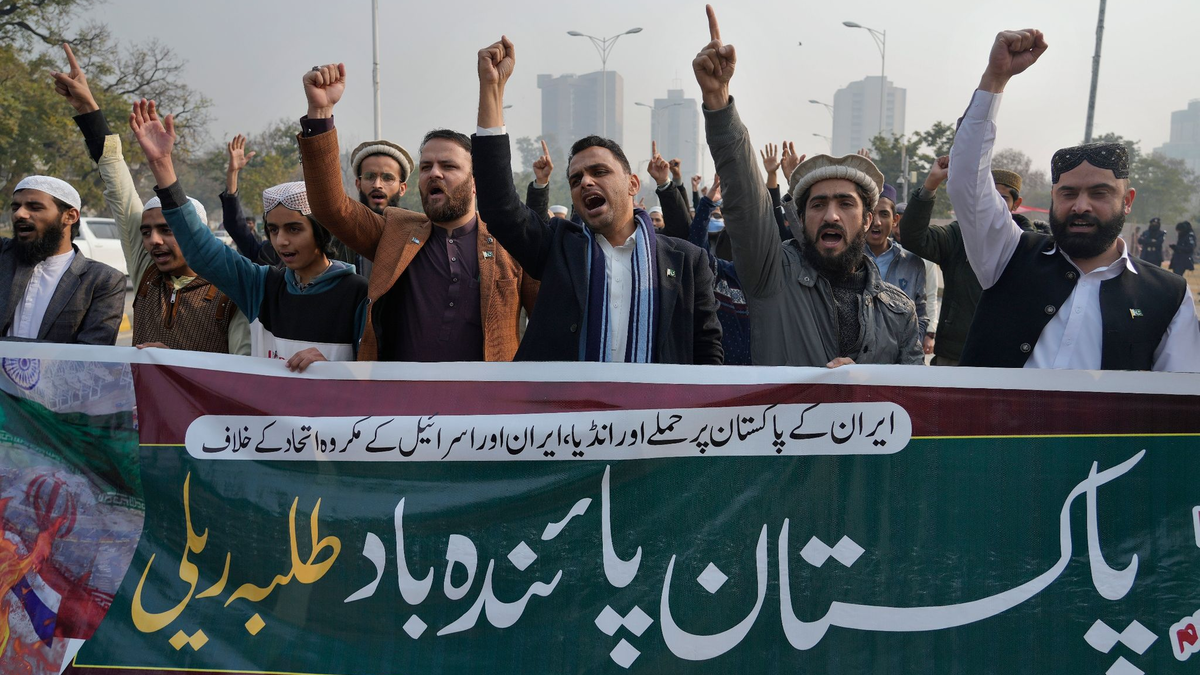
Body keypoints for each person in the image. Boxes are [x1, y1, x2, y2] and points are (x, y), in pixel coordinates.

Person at [946, 29, 1200, 371]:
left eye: (1099, 193)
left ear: (1128, 201)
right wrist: (995, 79)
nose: (1081, 206)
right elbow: (965, 182)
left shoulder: (1168, 294)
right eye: (1068, 193)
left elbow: (1174, 403)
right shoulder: (1007, 254)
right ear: (1053, 197)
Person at [694, 7, 921, 367]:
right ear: (801, 218)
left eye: (845, 204)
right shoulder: (773, 276)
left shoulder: (898, 312)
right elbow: (746, 200)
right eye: (817, 205)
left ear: (867, 220)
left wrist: (862, 386)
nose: (830, 215)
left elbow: (911, 408)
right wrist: (719, 101)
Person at [472, 36, 722, 364]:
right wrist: (492, 89)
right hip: (564, 414)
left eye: (599, 171)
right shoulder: (557, 248)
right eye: (576, 179)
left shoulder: (687, 262)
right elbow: (500, 207)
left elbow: (708, 354)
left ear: (633, 184)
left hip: (656, 416)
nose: (585, 182)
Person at [299, 63, 537, 363]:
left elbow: (547, 326)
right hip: (399, 405)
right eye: (426, 167)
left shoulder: (512, 243)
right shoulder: (395, 232)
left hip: (484, 406)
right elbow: (331, 208)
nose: (434, 174)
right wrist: (320, 115)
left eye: (448, 166)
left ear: (474, 181)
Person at [130, 100, 368, 372]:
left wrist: (330, 369)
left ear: (321, 231)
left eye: (294, 229)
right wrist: (162, 166)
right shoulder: (260, 285)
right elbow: (201, 248)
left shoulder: (357, 292)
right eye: (273, 230)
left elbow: (373, 373)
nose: (281, 241)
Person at [52, 43, 251, 354]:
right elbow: (119, 187)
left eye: (168, 229)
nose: (153, 241)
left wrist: (174, 366)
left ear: (194, 234)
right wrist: (89, 110)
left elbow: (242, 374)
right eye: (146, 232)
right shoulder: (148, 272)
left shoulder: (234, 292)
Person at [899, 158, 1043, 365]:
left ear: (1016, 204)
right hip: (955, 355)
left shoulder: (1030, 245)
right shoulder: (959, 236)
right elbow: (913, 237)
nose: (993, 206)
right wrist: (931, 184)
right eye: (987, 198)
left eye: (1001, 199)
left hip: (1008, 358)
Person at [2, 175, 124, 344]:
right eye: (15, 207)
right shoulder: (5, 256)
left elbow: (91, 355)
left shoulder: (102, 280)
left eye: (34, 207)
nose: (19, 214)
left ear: (70, 216)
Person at [867, 183, 928, 335]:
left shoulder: (912, 263)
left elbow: (920, 316)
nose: (877, 222)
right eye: (871, 214)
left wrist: (910, 352)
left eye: (884, 214)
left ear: (895, 220)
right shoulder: (846, 259)